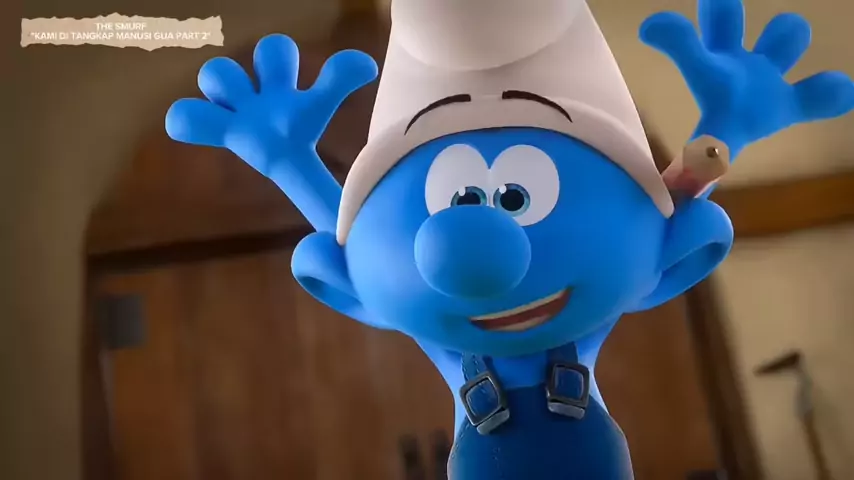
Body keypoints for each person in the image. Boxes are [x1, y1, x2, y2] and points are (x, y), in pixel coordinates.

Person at [165, 0, 854, 477]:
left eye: (517, 200)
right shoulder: (448, 318)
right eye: (463, 203)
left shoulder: (581, 297)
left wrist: (289, 161)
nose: (479, 247)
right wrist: (286, 160)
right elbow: (359, 255)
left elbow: (352, 252)